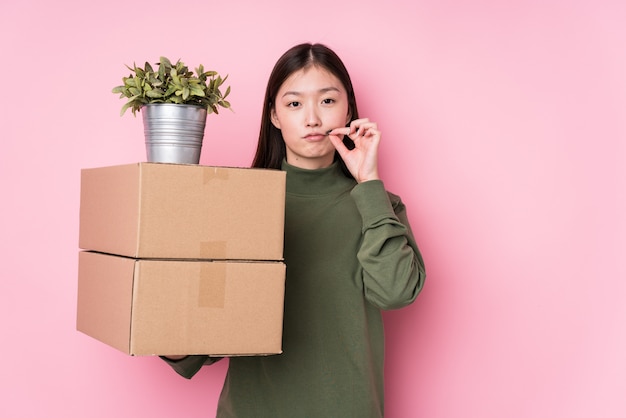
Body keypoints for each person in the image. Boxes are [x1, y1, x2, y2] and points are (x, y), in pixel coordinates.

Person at [162, 42, 426, 418]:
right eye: (294, 104)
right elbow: (200, 343)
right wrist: (164, 323)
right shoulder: (235, 203)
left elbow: (397, 292)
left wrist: (368, 182)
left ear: (348, 107)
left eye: (328, 101)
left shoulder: (377, 205)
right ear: (274, 115)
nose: (313, 119)